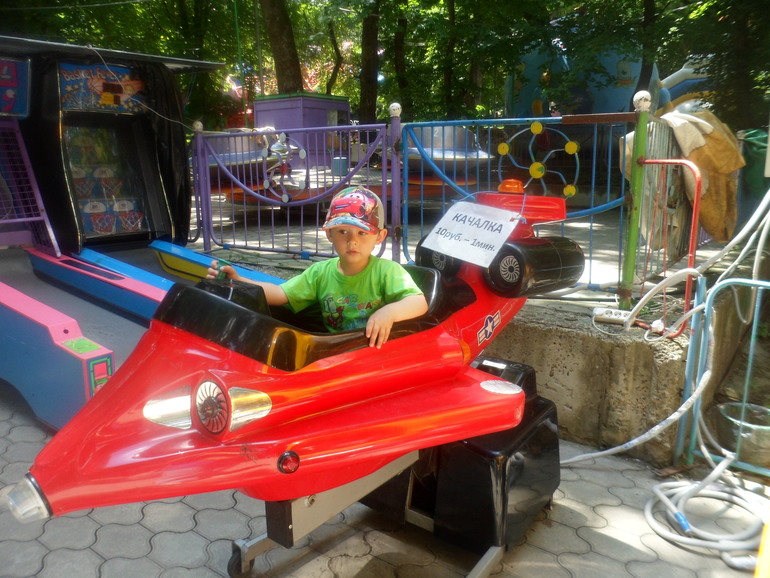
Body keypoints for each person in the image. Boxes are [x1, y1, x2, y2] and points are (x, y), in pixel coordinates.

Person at [208, 186, 428, 349]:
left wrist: (388, 312)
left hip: (374, 352)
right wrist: (238, 280)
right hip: (335, 351)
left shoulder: (388, 271)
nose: (352, 241)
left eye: (362, 233)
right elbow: (280, 294)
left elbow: (419, 302)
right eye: (343, 232)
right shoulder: (320, 272)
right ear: (329, 234)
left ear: (380, 236)